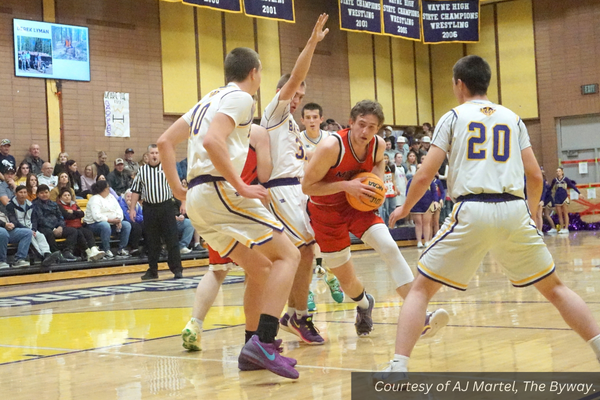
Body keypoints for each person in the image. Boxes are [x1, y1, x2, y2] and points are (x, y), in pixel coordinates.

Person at [384, 55, 600, 373]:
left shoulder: (454, 117)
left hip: (472, 209)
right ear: (487, 82)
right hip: (513, 209)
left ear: (459, 84)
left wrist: (404, 208)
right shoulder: (512, 118)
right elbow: (535, 176)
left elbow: (424, 174)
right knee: (556, 289)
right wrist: (534, 211)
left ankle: (398, 368)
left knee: (420, 290)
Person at [157, 45, 302, 379]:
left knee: (261, 267)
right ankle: (265, 342)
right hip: (219, 190)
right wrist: (240, 185)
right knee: (289, 256)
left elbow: (165, 142)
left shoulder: (207, 99)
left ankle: (251, 348)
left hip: (198, 198)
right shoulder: (241, 99)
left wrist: (179, 189)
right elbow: (212, 141)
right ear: (255, 72)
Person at [302, 99, 448, 339]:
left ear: (378, 130)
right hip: (326, 213)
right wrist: (346, 185)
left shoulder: (377, 146)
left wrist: (376, 182)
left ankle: (421, 318)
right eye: (361, 125)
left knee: (390, 247)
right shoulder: (331, 146)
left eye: (371, 127)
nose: (365, 132)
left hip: (358, 208)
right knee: (347, 282)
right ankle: (363, 304)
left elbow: (379, 163)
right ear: (350, 122)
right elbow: (308, 187)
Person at [260, 16, 332, 347]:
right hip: (281, 189)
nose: (298, 97)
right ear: (281, 91)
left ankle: (294, 314)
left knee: (304, 252)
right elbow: (297, 75)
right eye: (294, 91)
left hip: (296, 189)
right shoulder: (274, 112)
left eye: (301, 94)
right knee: (303, 249)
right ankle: (293, 316)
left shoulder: (290, 124)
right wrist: (312, 43)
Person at [299, 102, 345, 308]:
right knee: (305, 245)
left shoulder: (330, 139)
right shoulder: (297, 139)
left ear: (321, 118)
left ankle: (333, 277)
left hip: (328, 195)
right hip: (303, 196)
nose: (311, 121)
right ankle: (307, 290)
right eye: (307, 117)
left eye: (314, 117)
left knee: (330, 243)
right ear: (302, 120)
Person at [127, 144, 182, 279]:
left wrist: (183, 203)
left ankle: (177, 270)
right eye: (152, 153)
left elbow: (178, 187)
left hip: (166, 207)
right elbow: (136, 191)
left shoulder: (167, 168)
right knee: (151, 241)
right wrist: (132, 209)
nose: (154, 155)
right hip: (150, 208)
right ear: (147, 156)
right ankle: (153, 270)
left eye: (157, 153)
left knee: (171, 239)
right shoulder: (142, 171)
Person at [7, 185, 61, 268]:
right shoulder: (10, 205)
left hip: (30, 227)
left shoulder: (30, 204)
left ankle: (47, 254)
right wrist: (28, 230)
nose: (23, 194)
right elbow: (14, 221)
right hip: (18, 229)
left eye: (25, 192)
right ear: (16, 194)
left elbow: (34, 219)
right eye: (20, 192)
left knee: (40, 235)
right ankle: (41, 257)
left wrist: (34, 229)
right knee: (30, 236)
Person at [83, 180, 132, 259]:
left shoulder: (111, 197)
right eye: (108, 187)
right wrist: (111, 220)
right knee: (105, 225)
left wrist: (119, 220)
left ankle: (121, 249)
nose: (109, 188)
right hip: (94, 225)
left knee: (126, 225)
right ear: (104, 189)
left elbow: (119, 210)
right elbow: (97, 216)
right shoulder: (94, 199)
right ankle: (106, 250)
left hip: (112, 223)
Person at [32, 185, 78, 262]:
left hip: (57, 227)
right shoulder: (35, 205)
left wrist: (60, 227)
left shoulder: (54, 204)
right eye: (41, 193)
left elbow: (61, 217)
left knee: (73, 231)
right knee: (49, 233)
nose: (44, 194)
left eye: (46, 192)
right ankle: (57, 255)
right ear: (37, 194)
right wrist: (53, 229)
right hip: (43, 227)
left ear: (49, 193)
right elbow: (40, 219)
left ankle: (67, 251)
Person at [57, 187, 105, 261]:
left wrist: (73, 212)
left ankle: (94, 249)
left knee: (88, 232)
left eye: (68, 195)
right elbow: (67, 216)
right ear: (60, 197)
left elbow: (82, 214)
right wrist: (76, 213)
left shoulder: (74, 204)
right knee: (79, 233)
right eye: (65, 195)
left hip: (78, 225)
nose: (67, 197)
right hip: (68, 226)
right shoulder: (59, 206)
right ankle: (88, 252)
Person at [0, 199, 32, 269]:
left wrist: (12, 224)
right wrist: (4, 224)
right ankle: (1, 261)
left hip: (8, 229)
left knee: (27, 232)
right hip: (2, 229)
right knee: (2, 232)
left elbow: (12, 217)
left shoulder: (4, 206)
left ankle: (19, 259)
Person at [549, 167, 581, 234]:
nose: (558, 172)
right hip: (557, 198)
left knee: (565, 213)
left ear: (562, 172)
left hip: (564, 197)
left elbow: (572, 186)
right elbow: (550, 188)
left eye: (559, 171)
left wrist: (579, 193)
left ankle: (566, 228)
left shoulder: (565, 179)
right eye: (557, 171)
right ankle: (561, 228)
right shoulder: (554, 180)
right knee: (559, 214)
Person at [118, 189, 144, 256]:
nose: (129, 198)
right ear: (125, 196)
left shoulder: (137, 204)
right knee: (136, 226)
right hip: (124, 221)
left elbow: (142, 216)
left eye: (131, 197)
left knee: (145, 224)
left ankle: (148, 247)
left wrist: (135, 217)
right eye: (128, 196)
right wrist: (130, 208)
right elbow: (128, 218)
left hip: (135, 221)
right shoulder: (122, 204)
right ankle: (134, 248)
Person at [379, 154, 398, 227]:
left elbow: (393, 179)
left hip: (391, 188)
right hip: (384, 188)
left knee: (392, 207)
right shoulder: (379, 168)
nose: (386, 160)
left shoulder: (391, 167)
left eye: (387, 158)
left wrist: (395, 189)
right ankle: (385, 224)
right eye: (384, 158)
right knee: (385, 209)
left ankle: (392, 223)